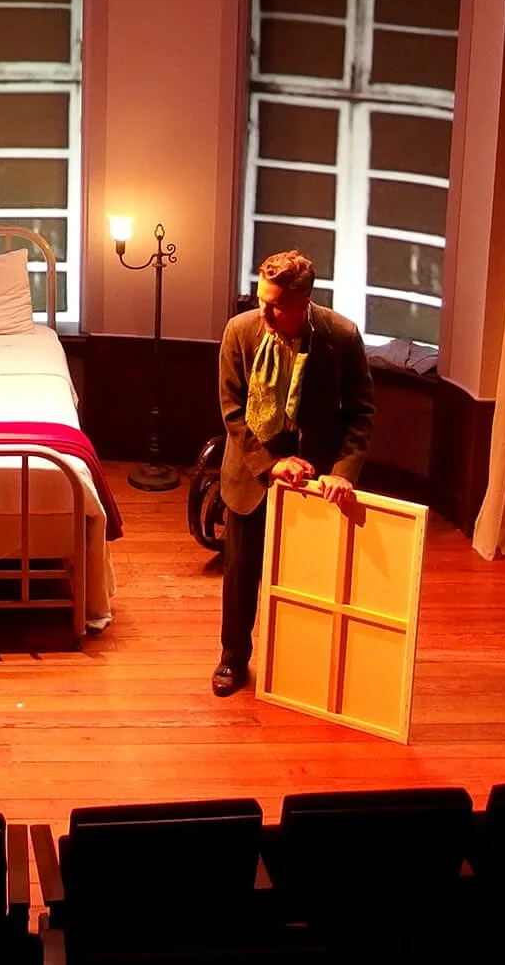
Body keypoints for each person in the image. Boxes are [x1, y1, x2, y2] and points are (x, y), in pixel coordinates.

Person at [213, 250, 375, 697]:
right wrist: (270, 464)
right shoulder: (240, 331)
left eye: (276, 306)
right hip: (252, 474)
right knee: (241, 575)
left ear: (305, 303)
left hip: (313, 483)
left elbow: (361, 414)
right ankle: (233, 659)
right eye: (261, 299)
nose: (263, 312)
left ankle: (300, 663)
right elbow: (231, 412)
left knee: (308, 580)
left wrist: (343, 473)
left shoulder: (341, 336)